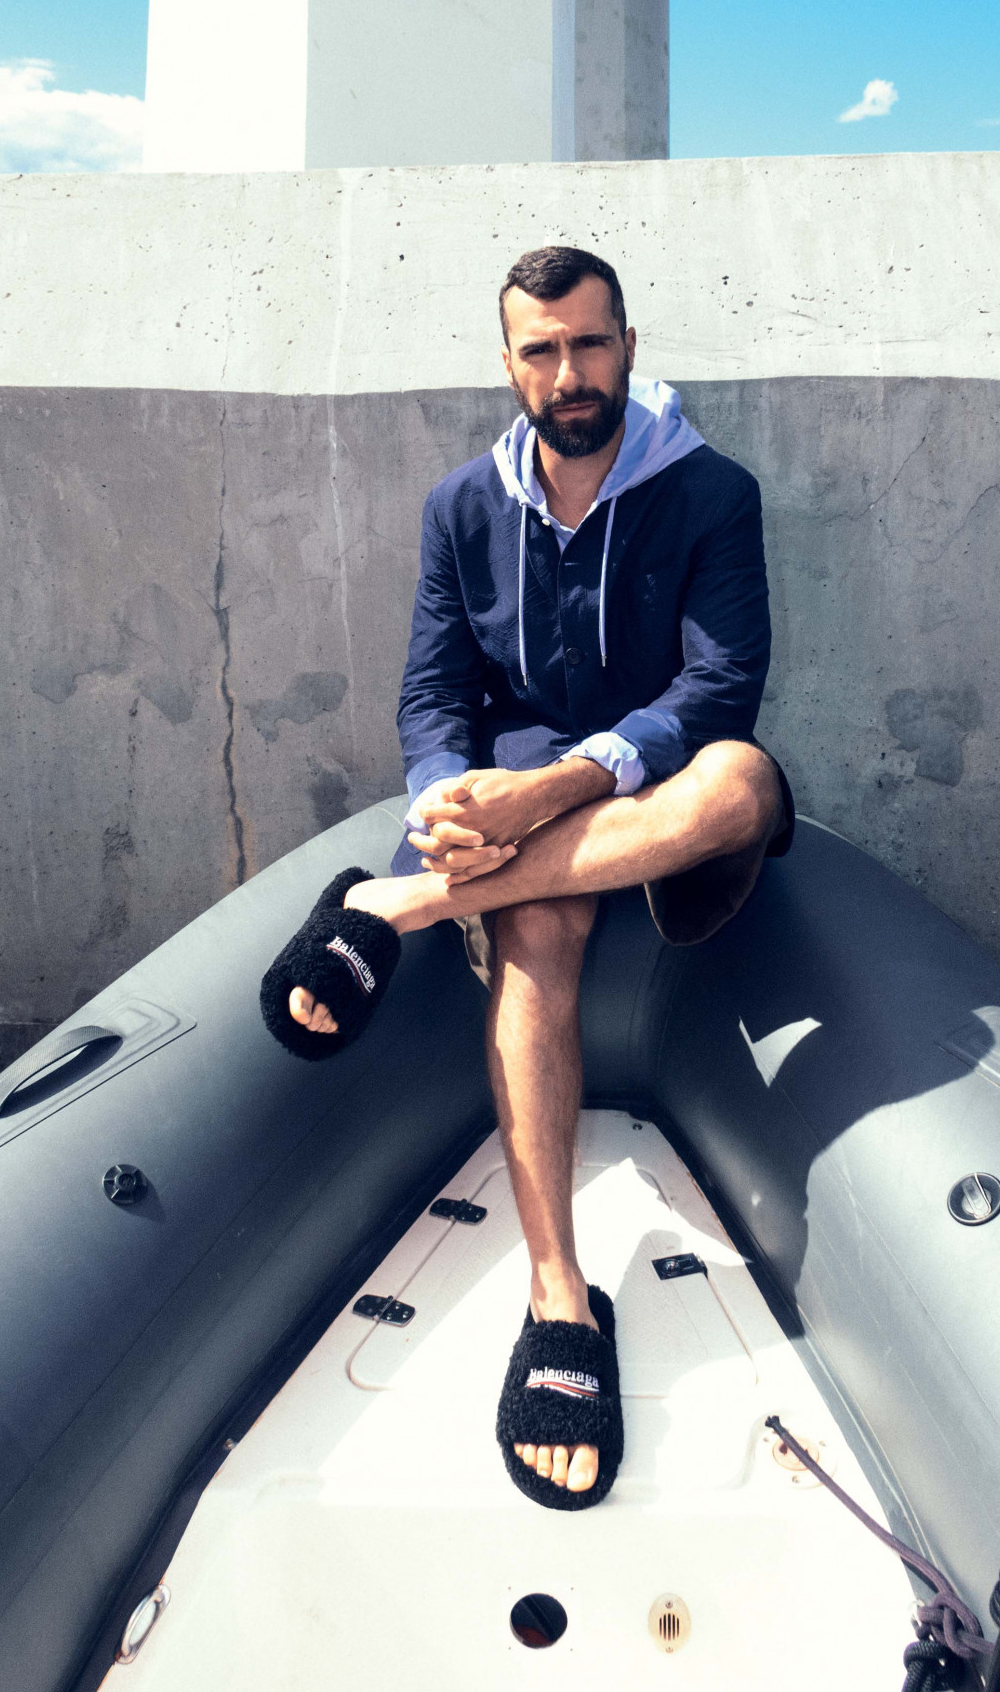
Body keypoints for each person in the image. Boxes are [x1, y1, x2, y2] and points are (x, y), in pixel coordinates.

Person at [284, 245, 792, 1509]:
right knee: (543, 921)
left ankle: (400, 904)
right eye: (542, 349)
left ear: (628, 344)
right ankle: (559, 1290)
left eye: (590, 342)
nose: (570, 372)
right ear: (509, 364)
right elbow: (432, 693)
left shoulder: (712, 491)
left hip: (650, 777)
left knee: (744, 780)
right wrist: (445, 799)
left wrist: (554, 789)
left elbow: (720, 686)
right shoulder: (462, 504)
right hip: (515, 788)